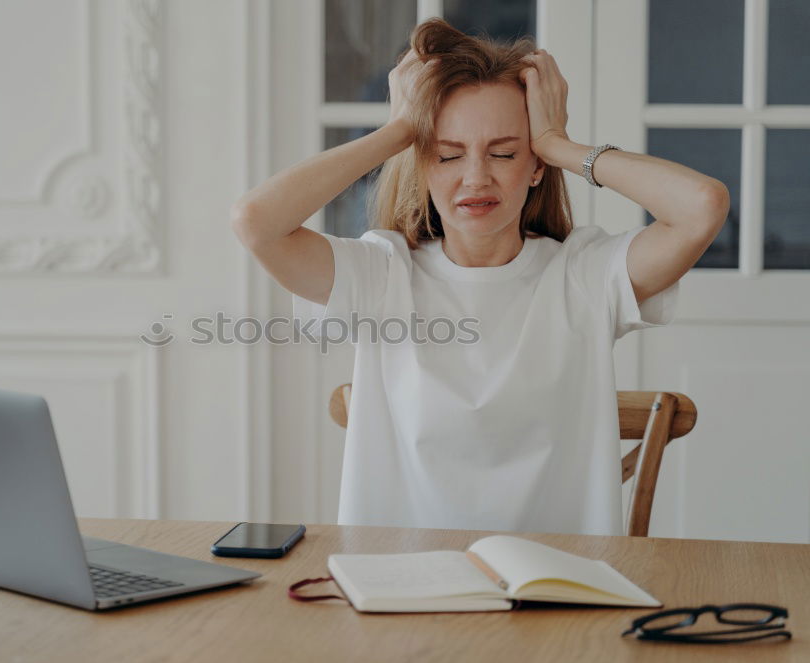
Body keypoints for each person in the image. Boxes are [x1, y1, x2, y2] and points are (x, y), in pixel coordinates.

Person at [230, 18, 728, 535]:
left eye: (506, 152)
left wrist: (559, 144)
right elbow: (256, 222)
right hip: (400, 596)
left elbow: (701, 205)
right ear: (423, 164)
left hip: (562, 590)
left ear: (536, 166)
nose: (476, 178)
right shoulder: (381, 273)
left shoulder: (585, 273)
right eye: (447, 154)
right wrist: (400, 131)